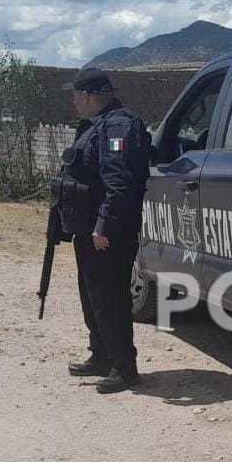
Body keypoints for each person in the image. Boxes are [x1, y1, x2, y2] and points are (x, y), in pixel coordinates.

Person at [54, 68, 151, 394]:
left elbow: (120, 184)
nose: (72, 101)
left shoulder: (119, 126)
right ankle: (101, 355)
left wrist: (104, 226)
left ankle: (125, 368)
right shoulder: (98, 126)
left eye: (75, 95)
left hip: (107, 234)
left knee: (110, 300)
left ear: (89, 95)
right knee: (92, 295)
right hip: (89, 230)